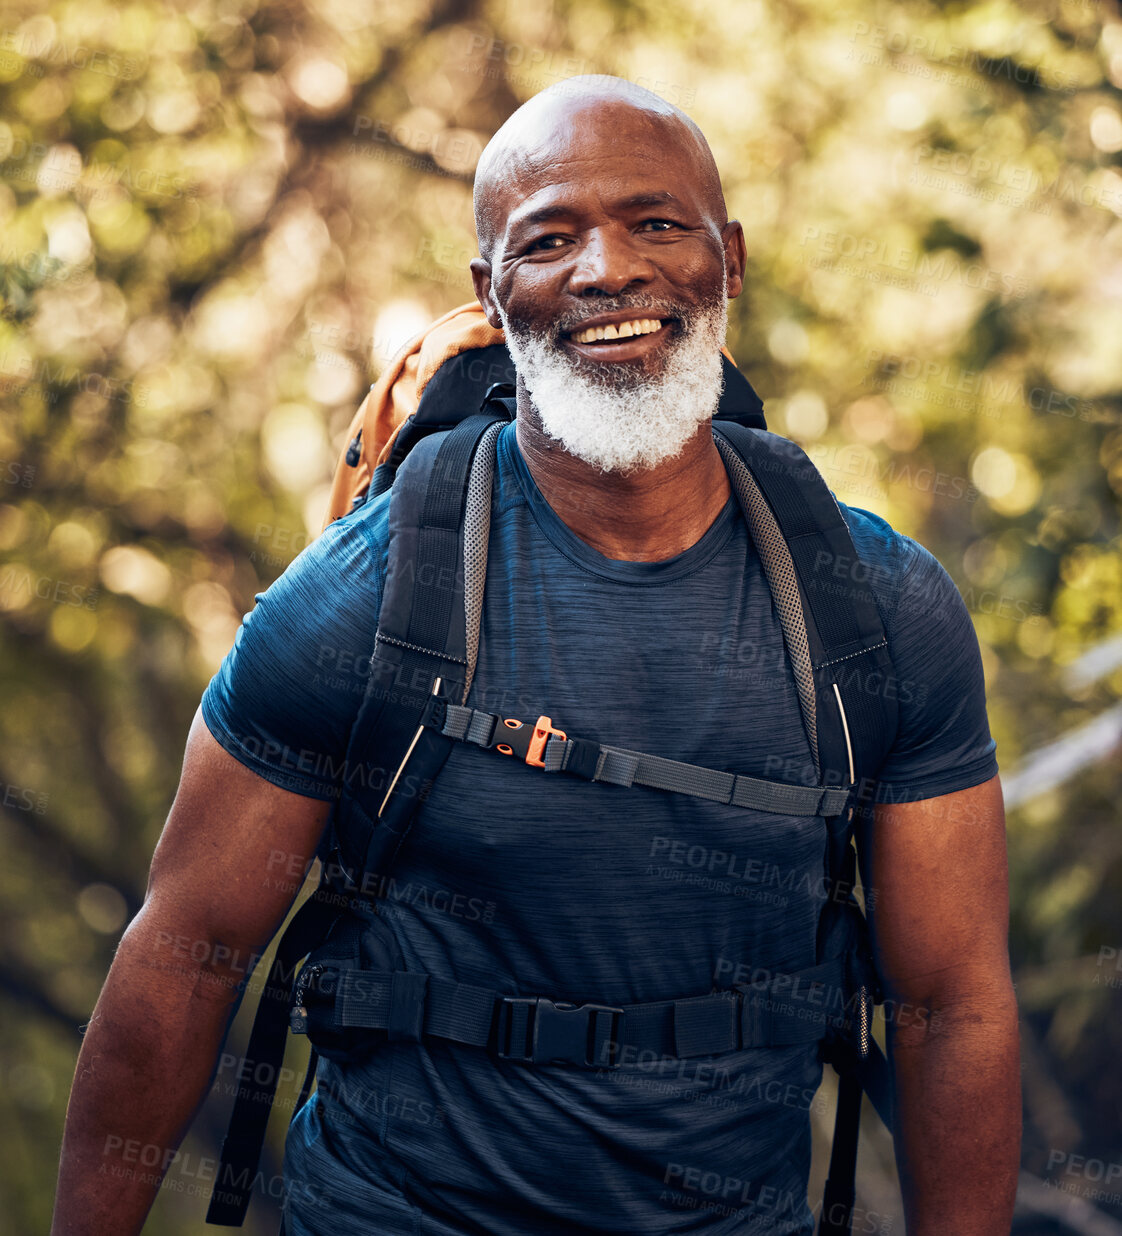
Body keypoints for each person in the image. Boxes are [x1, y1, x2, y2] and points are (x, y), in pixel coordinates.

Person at [51, 74, 1019, 1235]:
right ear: (491, 293)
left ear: (730, 259)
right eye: (548, 239)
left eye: (655, 222)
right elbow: (188, 950)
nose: (607, 270)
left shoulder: (875, 608)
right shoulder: (364, 597)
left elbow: (951, 1003)